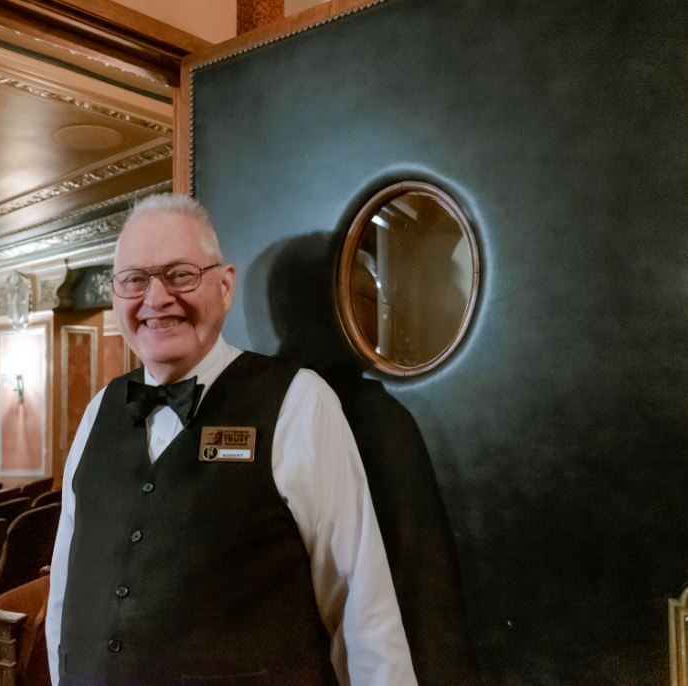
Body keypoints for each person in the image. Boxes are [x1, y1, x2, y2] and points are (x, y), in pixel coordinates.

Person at [46, 193, 416, 685]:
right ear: (116, 295)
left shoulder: (300, 403)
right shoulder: (98, 410)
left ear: (224, 286)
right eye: (134, 280)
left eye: (180, 274)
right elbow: (65, 590)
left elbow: (362, 607)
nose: (156, 299)